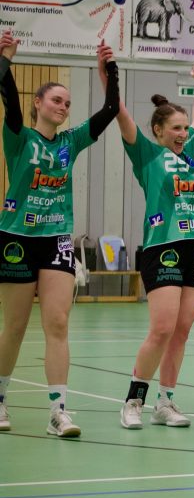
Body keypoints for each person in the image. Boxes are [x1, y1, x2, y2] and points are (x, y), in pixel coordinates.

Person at [0, 33, 118, 437]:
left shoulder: (71, 141)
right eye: (56, 100)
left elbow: (110, 110)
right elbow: (9, 101)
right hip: (16, 238)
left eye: (67, 103)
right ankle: (0, 399)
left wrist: (108, 71)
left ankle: (58, 411)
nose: (63, 107)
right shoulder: (19, 137)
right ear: (38, 103)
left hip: (56, 239)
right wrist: (6, 59)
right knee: (15, 326)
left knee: (58, 323)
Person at [115, 65, 194, 430]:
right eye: (176, 128)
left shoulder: (190, 151)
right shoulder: (147, 155)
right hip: (163, 248)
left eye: (185, 129)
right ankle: (133, 401)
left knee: (181, 331)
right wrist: (109, 77)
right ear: (158, 130)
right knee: (161, 329)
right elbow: (122, 116)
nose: (184, 134)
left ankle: (165, 401)